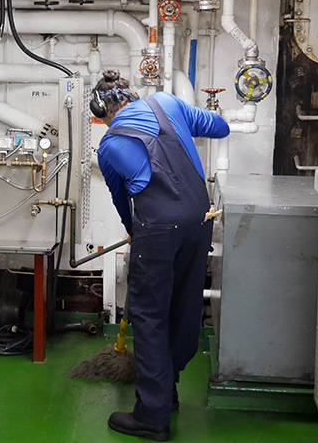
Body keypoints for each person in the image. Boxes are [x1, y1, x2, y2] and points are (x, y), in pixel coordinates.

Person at [94, 69, 229, 442]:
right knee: (184, 306)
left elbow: (122, 199)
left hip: (158, 228)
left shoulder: (109, 145)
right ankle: (167, 390)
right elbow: (219, 127)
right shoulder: (168, 103)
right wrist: (195, 120)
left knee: (149, 316)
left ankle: (152, 416)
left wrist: (133, 230)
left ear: (102, 109)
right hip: (200, 220)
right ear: (132, 95)